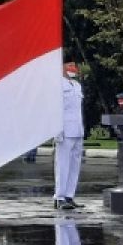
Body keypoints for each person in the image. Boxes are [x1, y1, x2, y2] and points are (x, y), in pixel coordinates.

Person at [54, 62, 86, 210]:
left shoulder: (77, 85)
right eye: (70, 66)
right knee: (62, 165)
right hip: (65, 131)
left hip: (77, 130)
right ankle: (59, 197)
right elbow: (55, 110)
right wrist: (57, 131)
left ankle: (69, 195)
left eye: (74, 67)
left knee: (75, 165)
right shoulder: (57, 85)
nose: (73, 69)